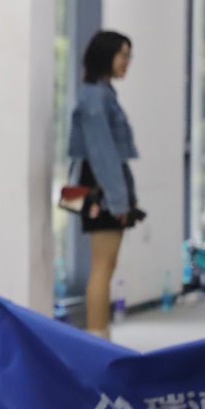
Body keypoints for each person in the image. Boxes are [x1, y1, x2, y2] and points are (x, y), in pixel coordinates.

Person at [67, 30, 144, 338]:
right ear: (105, 55)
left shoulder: (103, 93)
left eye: (129, 55)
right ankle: (98, 336)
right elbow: (102, 155)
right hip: (101, 187)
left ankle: (101, 334)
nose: (127, 61)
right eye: (122, 55)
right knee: (102, 266)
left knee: (106, 265)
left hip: (105, 185)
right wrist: (118, 199)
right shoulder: (94, 97)